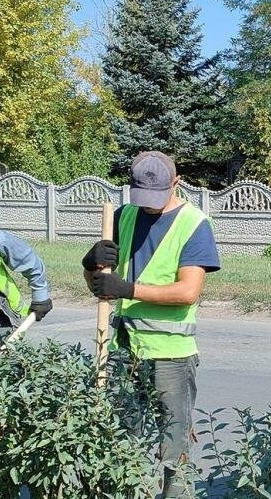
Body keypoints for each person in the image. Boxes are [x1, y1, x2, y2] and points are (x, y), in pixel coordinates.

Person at [83, 151, 220, 498]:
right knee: (119, 440)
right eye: (141, 197)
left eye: (156, 197)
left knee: (174, 447)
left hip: (171, 355)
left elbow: (188, 291)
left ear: (175, 183)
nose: (148, 206)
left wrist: (128, 289)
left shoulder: (194, 223)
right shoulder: (122, 216)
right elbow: (98, 285)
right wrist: (90, 263)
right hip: (122, 351)